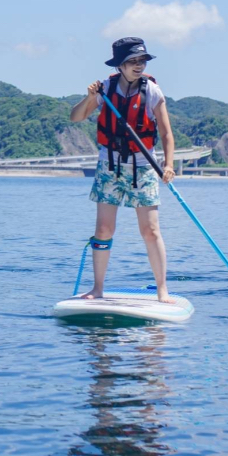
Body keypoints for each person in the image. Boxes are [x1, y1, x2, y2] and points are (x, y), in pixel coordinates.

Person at [68, 37, 176, 302]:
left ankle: (162, 290)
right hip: (110, 166)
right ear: (120, 65)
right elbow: (76, 117)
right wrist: (90, 97)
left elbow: (166, 133)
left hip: (143, 167)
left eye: (142, 61)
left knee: (150, 230)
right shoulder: (105, 89)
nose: (138, 66)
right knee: (104, 229)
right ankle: (97, 288)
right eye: (132, 62)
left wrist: (169, 164)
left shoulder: (151, 91)